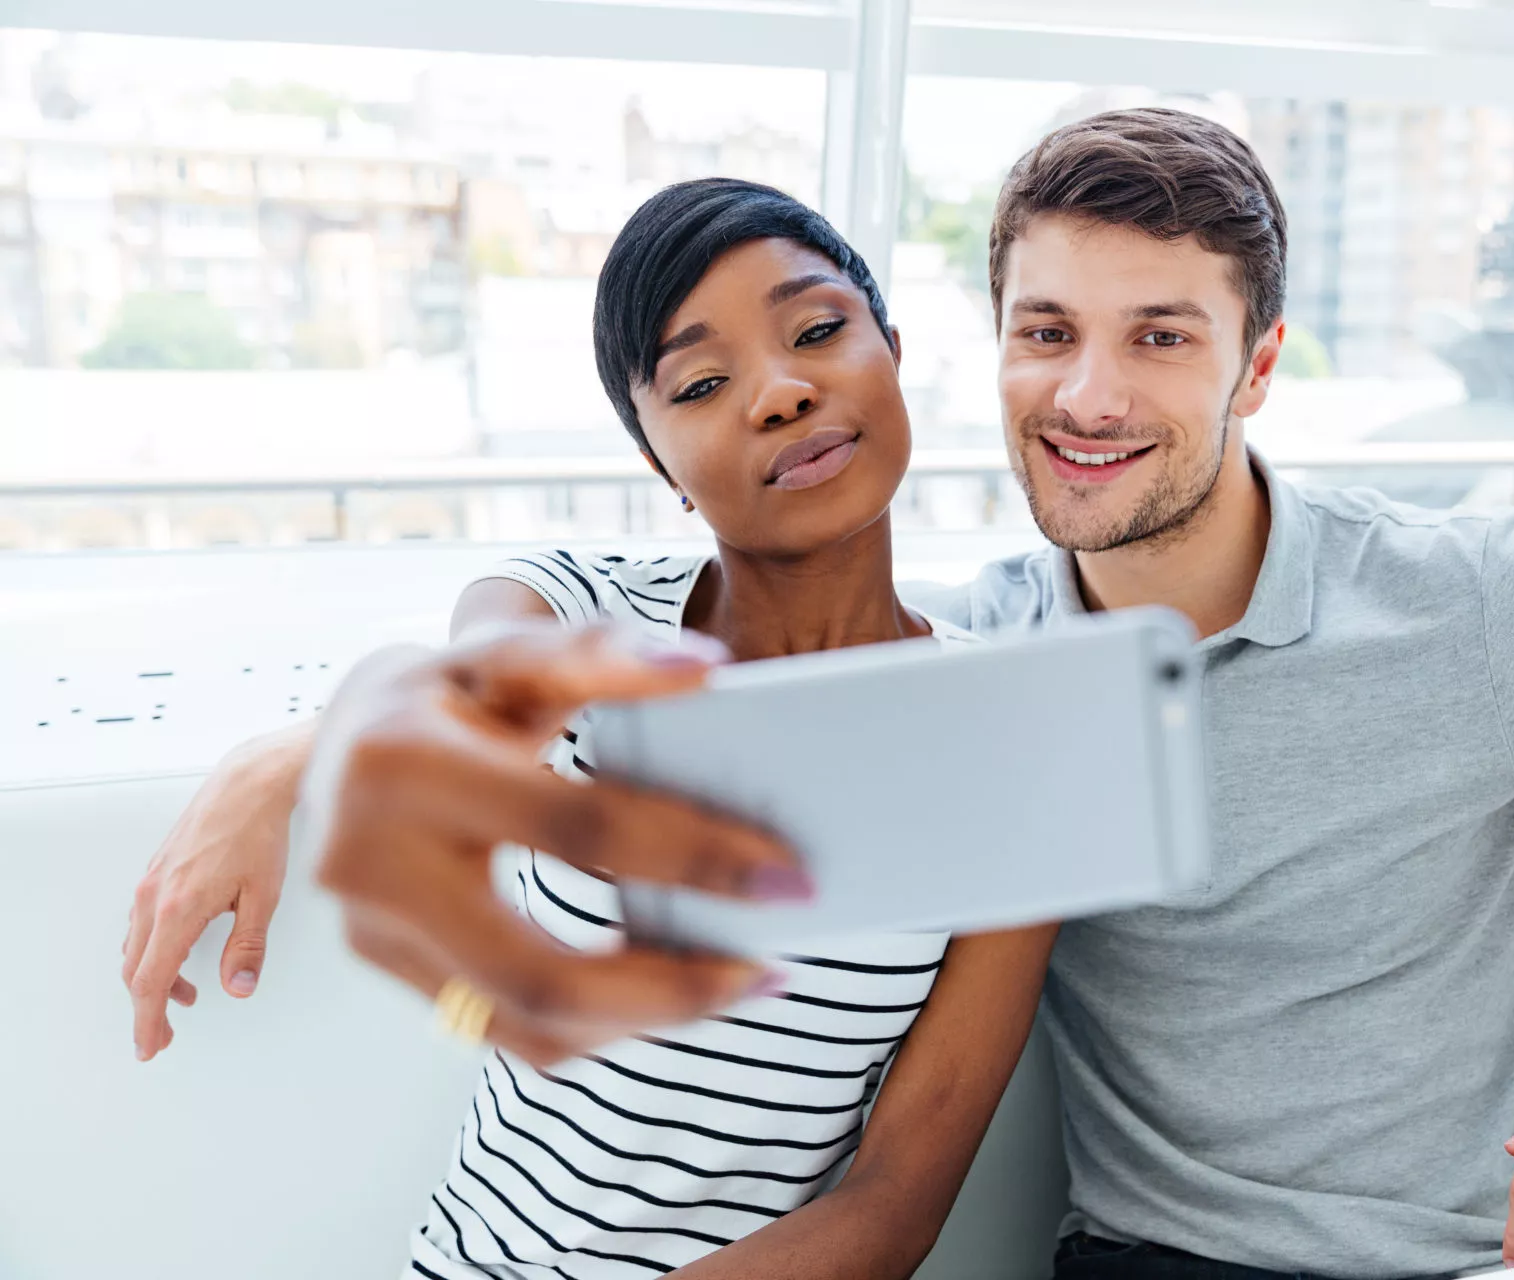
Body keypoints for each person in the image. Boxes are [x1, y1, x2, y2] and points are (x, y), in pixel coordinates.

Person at [125, 111, 1514, 1280]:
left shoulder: (1482, 605)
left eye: (1163, 336)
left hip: (1473, 1258)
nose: (1091, 393)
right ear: (986, 352)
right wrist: (297, 744)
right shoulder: (990, 681)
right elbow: (496, 687)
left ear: (1261, 364)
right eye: (1049, 330)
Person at [163, 178, 1060, 1279]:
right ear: (658, 463)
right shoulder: (582, 608)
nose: (779, 391)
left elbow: (894, 1201)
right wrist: (312, 743)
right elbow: (459, 685)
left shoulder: (1010, 753)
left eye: (819, 330)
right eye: (702, 382)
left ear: (894, 348)